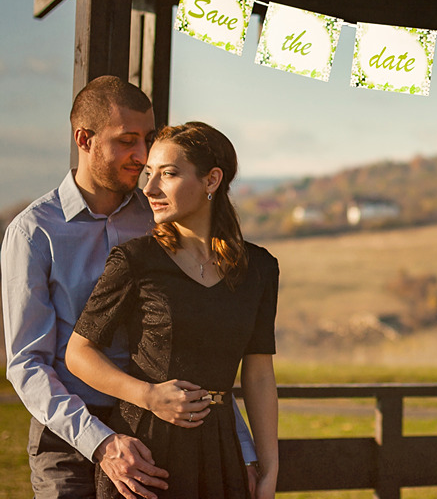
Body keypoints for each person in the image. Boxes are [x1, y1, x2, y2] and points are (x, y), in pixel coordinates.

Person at [1, 75, 258, 499]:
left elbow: (204, 343)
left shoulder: (160, 216)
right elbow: (27, 364)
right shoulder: (34, 232)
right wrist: (100, 442)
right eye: (127, 140)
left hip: (156, 430)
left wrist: (242, 449)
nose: (141, 156)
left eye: (148, 139)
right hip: (67, 439)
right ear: (84, 138)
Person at [66, 121, 279, 499]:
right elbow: (78, 353)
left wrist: (269, 466)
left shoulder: (259, 269)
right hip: (146, 457)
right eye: (149, 174)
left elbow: (259, 373)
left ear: (212, 180)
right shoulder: (135, 260)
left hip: (221, 452)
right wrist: (148, 396)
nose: (149, 189)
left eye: (168, 174)